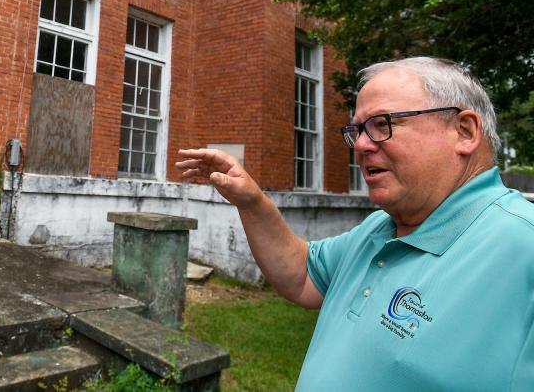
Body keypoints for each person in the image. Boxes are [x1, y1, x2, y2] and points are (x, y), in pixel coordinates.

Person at [177, 57, 534, 391]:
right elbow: (302, 275)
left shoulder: (522, 249)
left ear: (464, 131)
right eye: (358, 130)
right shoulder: (380, 228)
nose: (361, 144)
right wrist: (252, 201)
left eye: (383, 124)